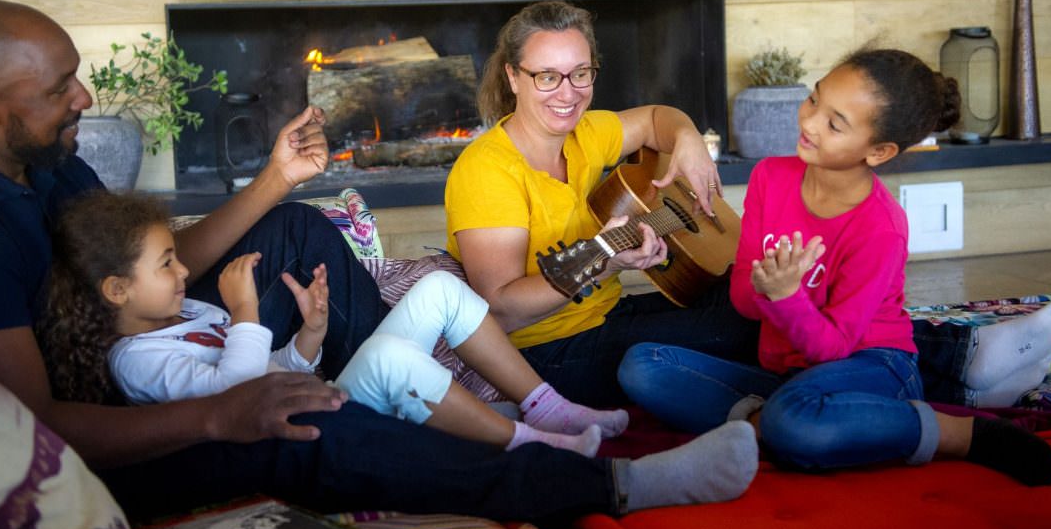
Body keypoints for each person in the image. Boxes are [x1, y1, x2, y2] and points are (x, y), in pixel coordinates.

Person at [0, 0, 759, 524]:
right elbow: (41, 427)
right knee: (304, 421)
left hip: (173, 339)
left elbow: (161, 262)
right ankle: (606, 486)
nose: (86, 98)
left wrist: (274, 179)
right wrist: (220, 415)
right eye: (62, 85)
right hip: (137, 420)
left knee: (295, 228)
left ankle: (393, 388)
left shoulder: (44, 161)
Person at [445, 0, 1051, 409]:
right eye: (548, 76)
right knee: (758, 314)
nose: (569, 92)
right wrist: (608, 260)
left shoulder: (588, 130)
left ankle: (957, 355)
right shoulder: (487, 171)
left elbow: (660, 119)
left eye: (581, 72)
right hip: (550, 354)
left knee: (739, 286)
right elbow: (501, 312)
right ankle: (959, 366)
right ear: (513, 78)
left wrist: (687, 143)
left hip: (609, 313)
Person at [618, 49, 1051, 486]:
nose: (810, 122)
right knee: (642, 365)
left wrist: (787, 296)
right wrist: (766, 286)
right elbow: (742, 302)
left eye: (835, 123)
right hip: (786, 377)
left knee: (793, 417)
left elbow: (830, 349)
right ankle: (773, 426)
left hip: (873, 366)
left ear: (878, 151)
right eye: (815, 99)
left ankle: (957, 434)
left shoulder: (881, 226)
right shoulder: (770, 177)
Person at [41, 189, 629, 456]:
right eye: (167, 263)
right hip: (314, 429)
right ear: (116, 290)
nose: (184, 269)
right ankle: (534, 445)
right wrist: (246, 313)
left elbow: (273, 369)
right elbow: (237, 398)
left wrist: (309, 335)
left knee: (440, 289)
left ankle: (547, 405)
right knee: (399, 360)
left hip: (319, 388)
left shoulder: (186, 311)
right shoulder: (137, 361)